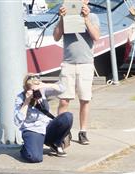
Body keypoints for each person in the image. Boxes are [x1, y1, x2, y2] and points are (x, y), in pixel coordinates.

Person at [53, 0, 100, 146]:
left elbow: (96, 36)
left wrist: (86, 19)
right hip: (68, 63)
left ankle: (83, 131)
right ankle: (61, 131)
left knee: (85, 99)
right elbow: (56, 36)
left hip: (86, 63)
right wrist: (61, 18)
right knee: (64, 100)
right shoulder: (66, 14)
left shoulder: (93, 17)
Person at [14, 74, 74, 163]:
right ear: (26, 87)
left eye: (36, 87)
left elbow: (63, 88)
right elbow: (17, 121)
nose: (35, 91)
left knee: (67, 117)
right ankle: (25, 149)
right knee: (35, 158)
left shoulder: (42, 91)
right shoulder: (21, 97)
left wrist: (44, 85)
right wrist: (26, 101)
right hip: (33, 129)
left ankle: (55, 143)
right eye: (32, 88)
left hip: (47, 126)